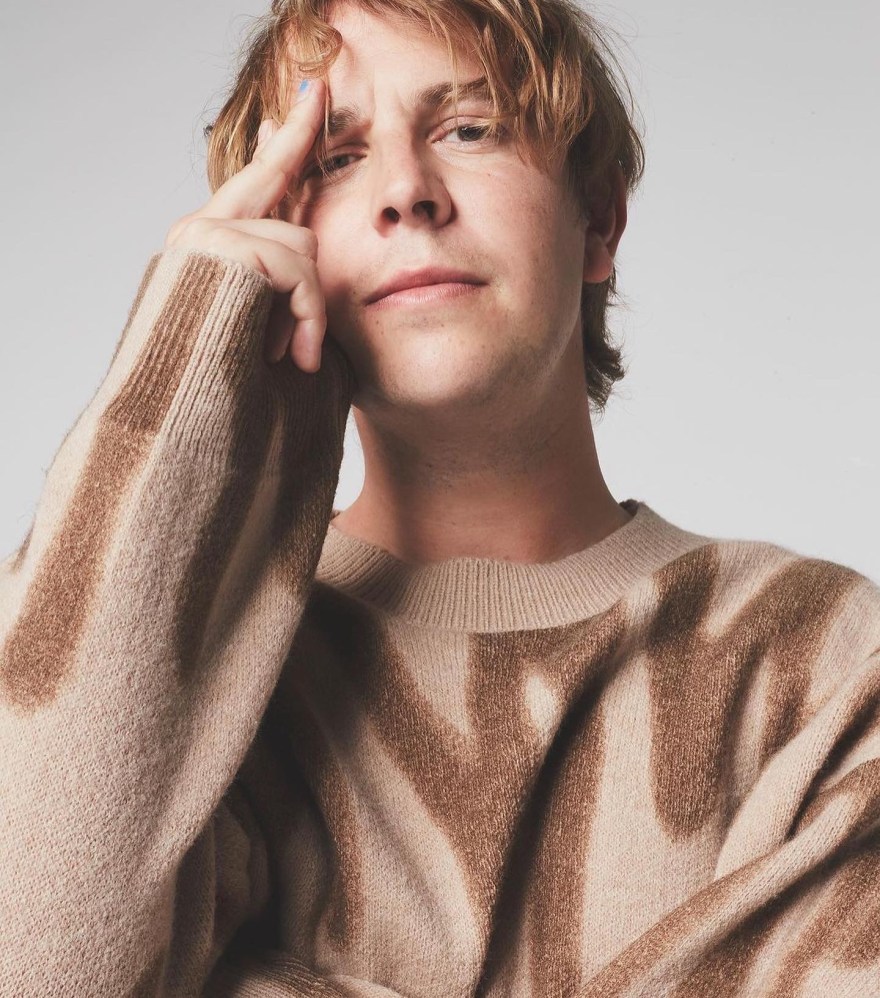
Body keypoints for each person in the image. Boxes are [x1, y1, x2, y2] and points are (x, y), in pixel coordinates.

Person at [1, 0, 878, 994]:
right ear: (278, 235)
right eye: (335, 157)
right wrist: (181, 365)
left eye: (470, 128)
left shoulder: (830, 663)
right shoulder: (182, 687)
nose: (405, 193)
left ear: (598, 218)